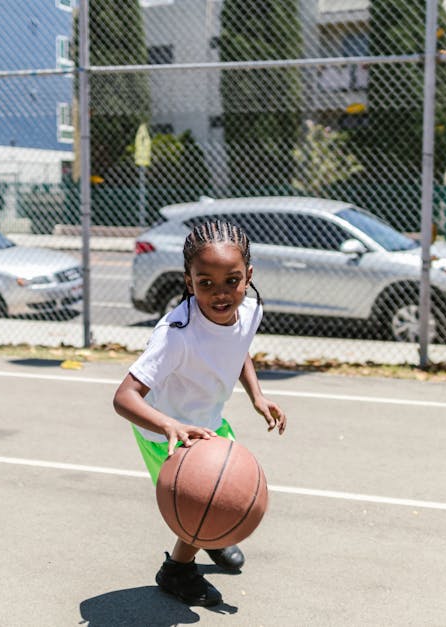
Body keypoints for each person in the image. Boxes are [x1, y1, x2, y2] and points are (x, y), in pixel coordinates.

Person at [112, 220, 287, 606]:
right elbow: (124, 397)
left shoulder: (250, 309)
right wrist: (169, 424)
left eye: (232, 281)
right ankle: (177, 570)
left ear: (249, 276)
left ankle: (212, 535)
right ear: (189, 282)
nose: (220, 293)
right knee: (202, 499)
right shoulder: (176, 334)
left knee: (222, 498)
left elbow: (237, 348)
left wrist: (257, 395)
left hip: (208, 421)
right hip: (165, 431)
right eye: (205, 282)